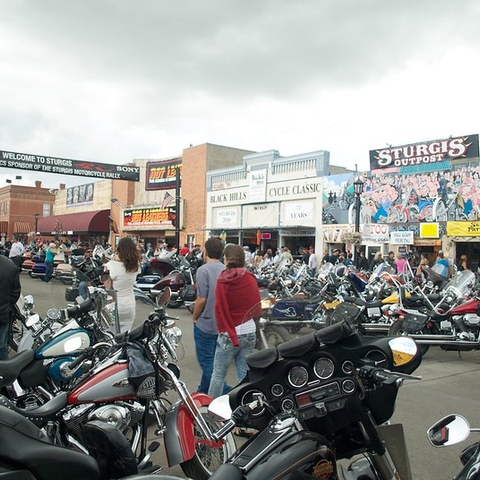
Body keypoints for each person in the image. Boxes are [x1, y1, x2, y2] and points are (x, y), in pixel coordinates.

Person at [208, 244, 261, 399]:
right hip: (249, 331)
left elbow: (220, 309)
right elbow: (257, 306)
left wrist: (227, 330)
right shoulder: (250, 278)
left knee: (218, 375)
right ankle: (245, 411)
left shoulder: (223, 279)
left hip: (229, 334)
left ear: (226, 258)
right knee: (245, 377)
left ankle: (210, 414)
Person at [191, 237, 226, 394]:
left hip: (206, 324)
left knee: (207, 363)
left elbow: (201, 299)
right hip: (222, 324)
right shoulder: (226, 270)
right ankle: (203, 391)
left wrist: (195, 317)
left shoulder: (203, 270)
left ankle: (228, 391)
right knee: (214, 361)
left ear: (206, 251)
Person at [105, 237, 141, 332]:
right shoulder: (136, 264)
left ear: (119, 249)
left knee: (111, 337)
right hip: (129, 305)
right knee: (125, 336)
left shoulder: (111, 265)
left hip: (115, 305)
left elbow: (107, 287)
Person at [0, 255, 21, 360]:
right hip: (2, 314)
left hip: (3, 313)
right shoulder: (10, 265)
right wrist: (7, 306)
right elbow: (16, 291)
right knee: (1, 348)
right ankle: (5, 374)